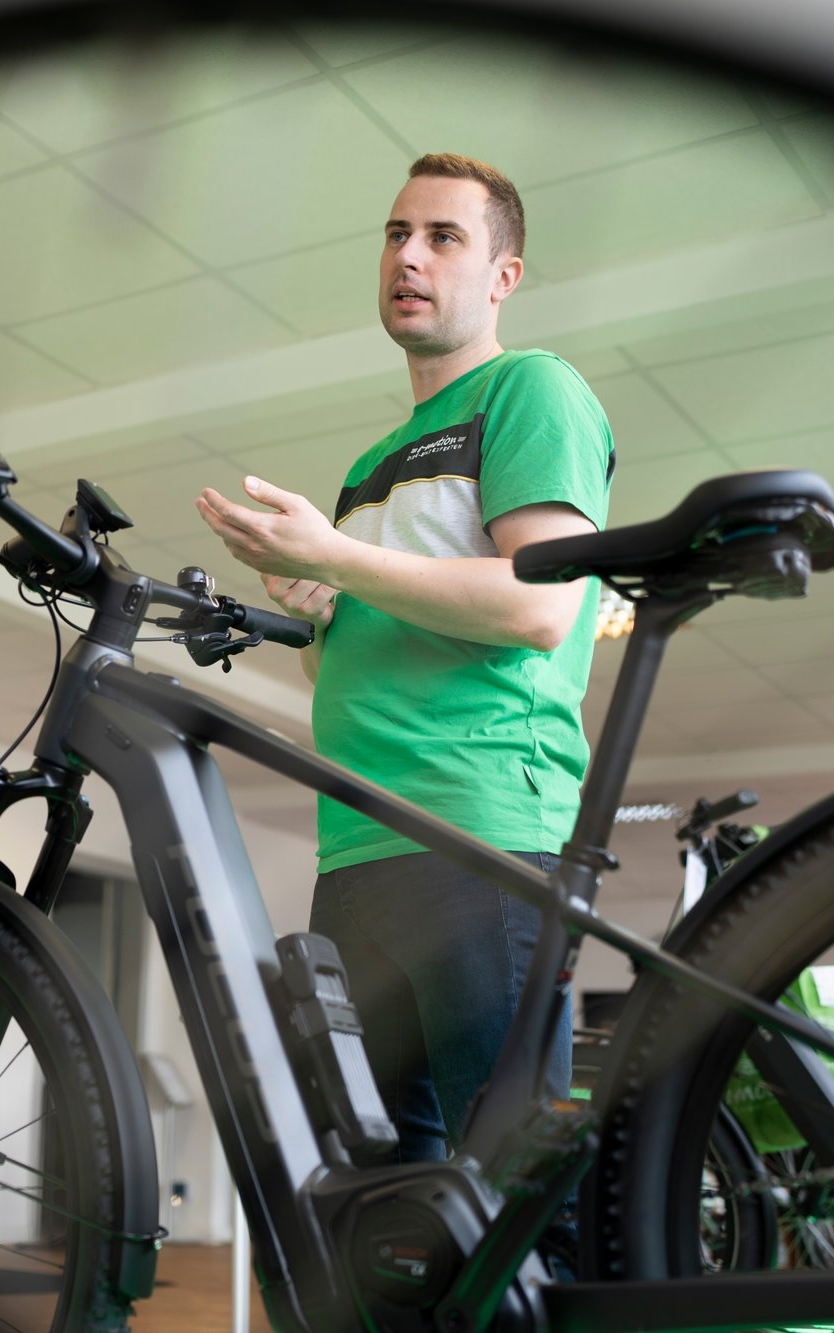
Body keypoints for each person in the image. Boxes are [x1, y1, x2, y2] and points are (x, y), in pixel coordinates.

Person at [195, 152, 614, 1164]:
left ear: (503, 276)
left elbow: (541, 605)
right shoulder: (368, 467)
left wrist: (336, 557)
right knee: (376, 1193)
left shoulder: (530, 388)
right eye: (395, 234)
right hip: (357, 846)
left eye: (442, 237)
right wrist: (319, 607)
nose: (408, 256)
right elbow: (344, 664)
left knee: (505, 1185)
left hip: (478, 834)